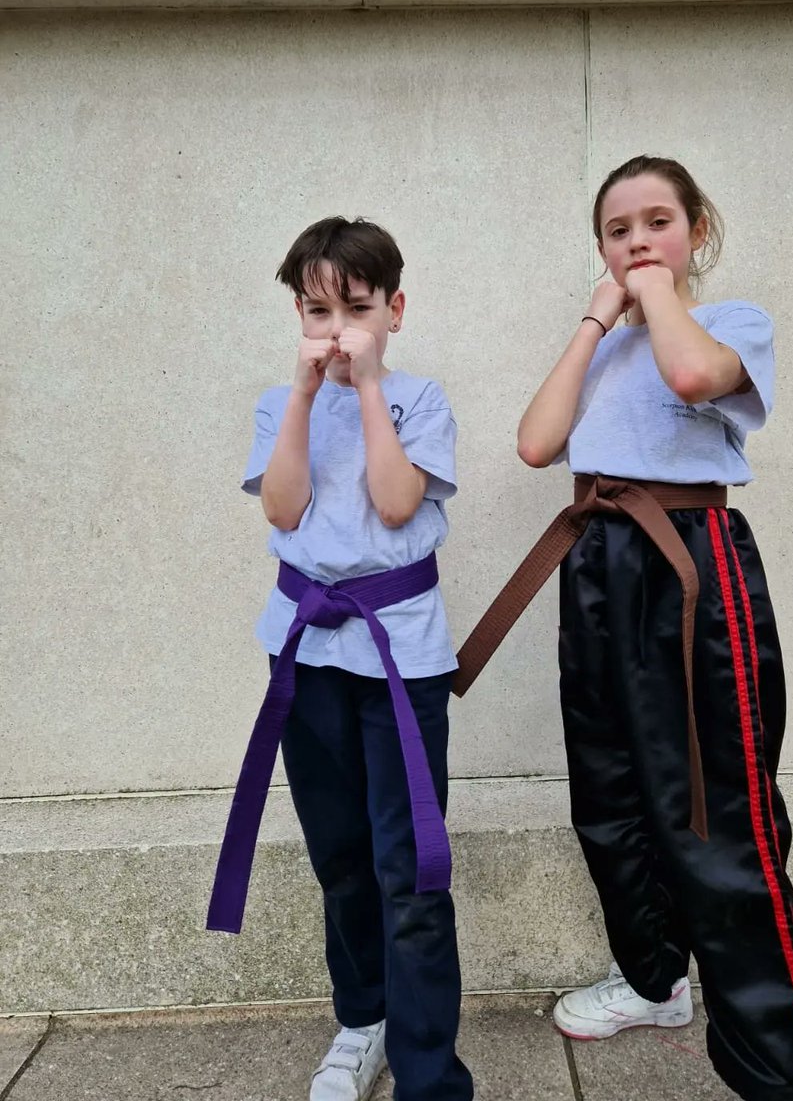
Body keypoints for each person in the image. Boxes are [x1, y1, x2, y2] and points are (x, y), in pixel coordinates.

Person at [454, 155, 793, 1101]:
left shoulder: (731, 324)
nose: (637, 242)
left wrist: (658, 290)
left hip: (691, 565)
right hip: (595, 562)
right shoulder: (608, 347)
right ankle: (656, 980)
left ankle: (781, 1075)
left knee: (718, 809)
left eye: (657, 222)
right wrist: (595, 319)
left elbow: (694, 374)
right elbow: (536, 443)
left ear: (698, 230)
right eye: (618, 231)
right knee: (610, 791)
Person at [208, 217, 473, 1101]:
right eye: (318, 311)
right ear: (298, 315)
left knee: (412, 864)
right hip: (306, 650)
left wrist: (365, 391)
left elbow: (396, 504)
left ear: (394, 309)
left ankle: (429, 1070)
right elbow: (283, 509)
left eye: (356, 309)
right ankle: (364, 1021)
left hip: (400, 658)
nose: (337, 331)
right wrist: (302, 392)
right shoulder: (276, 404)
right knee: (341, 854)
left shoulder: (419, 400)